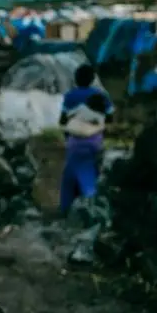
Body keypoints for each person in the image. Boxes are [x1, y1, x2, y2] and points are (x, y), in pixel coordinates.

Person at [58, 64, 114, 214]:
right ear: (92, 79)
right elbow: (110, 119)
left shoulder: (70, 96)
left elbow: (62, 121)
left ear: (76, 79)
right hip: (95, 142)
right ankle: (91, 208)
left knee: (69, 176)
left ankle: (66, 209)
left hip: (73, 143)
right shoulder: (101, 95)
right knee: (89, 175)